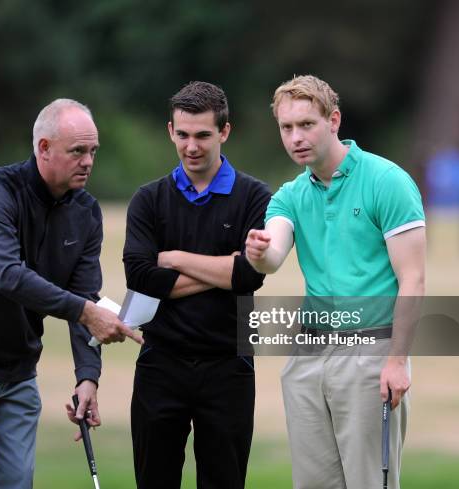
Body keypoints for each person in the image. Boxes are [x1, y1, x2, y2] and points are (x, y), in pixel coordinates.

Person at [0, 98, 140, 489]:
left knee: (15, 482)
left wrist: (88, 377)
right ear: (44, 148)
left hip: (16, 365)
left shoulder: (85, 212)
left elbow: (84, 293)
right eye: (77, 151)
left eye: (93, 151)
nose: (88, 161)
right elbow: (8, 276)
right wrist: (86, 311)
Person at [245, 75, 426, 489]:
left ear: (334, 120)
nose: (296, 137)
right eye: (286, 128)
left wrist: (397, 361)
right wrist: (260, 253)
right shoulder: (289, 195)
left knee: (369, 482)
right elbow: (274, 253)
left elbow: (413, 280)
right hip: (308, 354)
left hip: (372, 351)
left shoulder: (387, 181)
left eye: (306, 124)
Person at [123, 81, 271, 489]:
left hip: (229, 364)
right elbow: (139, 276)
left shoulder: (255, 197)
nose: (192, 146)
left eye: (203, 135)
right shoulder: (148, 200)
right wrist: (223, 271)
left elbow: (249, 276)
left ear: (224, 132)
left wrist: (173, 258)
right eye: (183, 134)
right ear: (171, 130)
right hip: (160, 362)